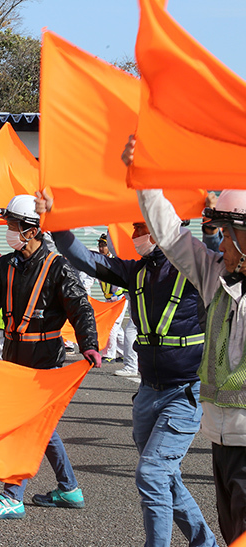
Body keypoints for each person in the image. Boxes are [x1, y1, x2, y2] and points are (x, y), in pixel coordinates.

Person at [40, 191, 217, 547]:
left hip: (184, 393)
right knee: (165, 478)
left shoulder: (198, 269)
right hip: (149, 392)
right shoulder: (136, 270)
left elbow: (218, 254)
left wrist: (212, 228)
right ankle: (206, 544)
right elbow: (84, 258)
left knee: (152, 474)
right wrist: (57, 222)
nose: (136, 232)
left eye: (142, 225)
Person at [0, 194, 100, 520]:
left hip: (46, 359)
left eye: (13, 225)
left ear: (31, 230)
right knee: (42, 427)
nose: (8, 231)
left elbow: (80, 307)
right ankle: (69, 488)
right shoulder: (6, 265)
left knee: (25, 426)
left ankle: (12, 495)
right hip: (14, 355)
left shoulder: (58, 267)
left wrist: (89, 343)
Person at [128, 138, 246, 545]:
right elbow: (170, 233)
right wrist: (146, 177)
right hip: (223, 440)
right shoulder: (216, 276)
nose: (222, 243)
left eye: (229, 234)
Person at [97, 233, 127, 365]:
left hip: (119, 298)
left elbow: (118, 283)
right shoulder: (99, 261)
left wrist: (115, 298)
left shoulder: (114, 262)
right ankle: (124, 353)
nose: (101, 248)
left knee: (112, 326)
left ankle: (109, 355)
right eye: (100, 245)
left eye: (104, 245)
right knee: (118, 328)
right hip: (110, 300)